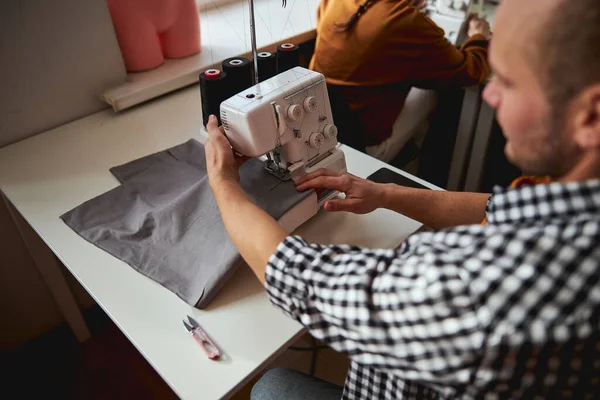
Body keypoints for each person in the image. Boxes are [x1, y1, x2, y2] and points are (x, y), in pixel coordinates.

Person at [204, 0, 600, 397]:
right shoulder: (570, 205)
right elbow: (498, 210)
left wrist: (223, 182)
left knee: (268, 386)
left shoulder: (494, 287)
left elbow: (303, 278)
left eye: (509, 82)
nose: (491, 95)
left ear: (591, 116)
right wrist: (385, 194)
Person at [308, 0, 492, 163]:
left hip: (319, 134)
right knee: (429, 91)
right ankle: (413, 168)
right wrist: (479, 37)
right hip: (362, 149)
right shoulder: (407, 21)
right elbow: (471, 72)